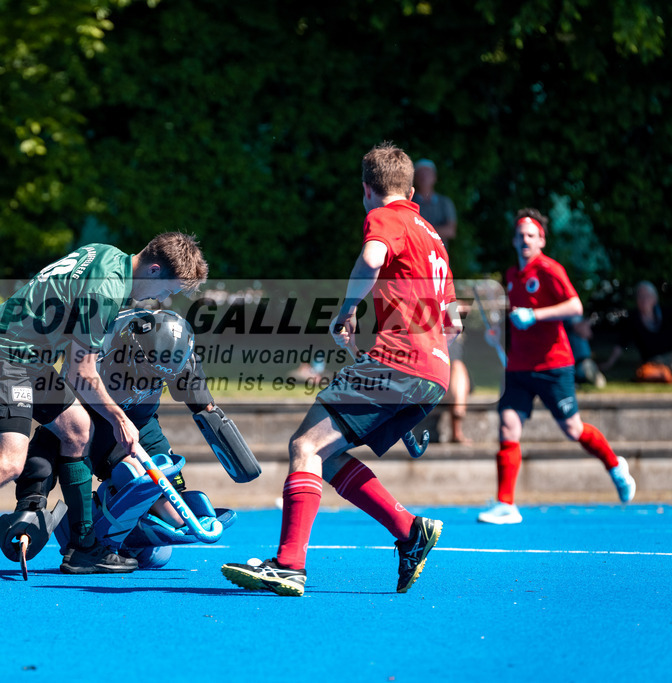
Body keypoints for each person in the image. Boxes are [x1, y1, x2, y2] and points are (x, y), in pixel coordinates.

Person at [0, 233, 208, 581]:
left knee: (78, 431)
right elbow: (80, 370)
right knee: (9, 461)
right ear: (152, 268)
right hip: (6, 357)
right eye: (167, 290)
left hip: (31, 359)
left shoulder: (106, 254)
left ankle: (83, 550)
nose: (162, 300)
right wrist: (120, 419)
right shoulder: (107, 290)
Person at [221, 143, 459, 597]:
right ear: (411, 189)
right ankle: (409, 530)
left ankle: (289, 565)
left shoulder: (384, 217)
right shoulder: (434, 236)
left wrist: (346, 310)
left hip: (400, 363)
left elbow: (371, 259)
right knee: (326, 457)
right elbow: (450, 319)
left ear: (366, 190)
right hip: (433, 369)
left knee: (305, 445)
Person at [1, 308, 255, 573]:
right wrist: (32, 503)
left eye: (163, 376)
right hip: (94, 417)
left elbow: (204, 407)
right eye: (150, 368)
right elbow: (52, 429)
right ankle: (84, 533)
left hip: (142, 420)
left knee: (159, 549)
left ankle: (129, 536)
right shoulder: (100, 341)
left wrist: (234, 453)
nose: (155, 378)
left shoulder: (181, 355)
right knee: (135, 476)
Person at [477, 209, 637, 525]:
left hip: (554, 365)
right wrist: (498, 330)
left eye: (531, 235)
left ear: (541, 240)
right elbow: (512, 318)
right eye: (520, 235)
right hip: (519, 367)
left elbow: (575, 306)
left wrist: (536, 315)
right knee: (508, 426)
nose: (525, 240)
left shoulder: (550, 270)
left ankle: (615, 465)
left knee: (572, 429)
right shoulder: (511, 276)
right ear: (513, 240)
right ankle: (506, 504)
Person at [414, 159, 470, 442]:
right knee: (446, 354)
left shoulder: (439, 203)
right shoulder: (411, 202)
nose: (424, 177)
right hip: (425, 286)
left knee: (453, 354)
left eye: (428, 173)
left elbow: (451, 230)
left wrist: (424, 229)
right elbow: (443, 230)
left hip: (435, 284)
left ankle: (456, 426)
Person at [601, 281, 672, 382]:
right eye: (640, 296)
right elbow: (621, 343)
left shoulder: (666, 312)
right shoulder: (633, 319)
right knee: (668, 369)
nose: (644, 300)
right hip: (655, 361)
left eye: (647, 296)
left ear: (655, 299)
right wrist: (609, 363)